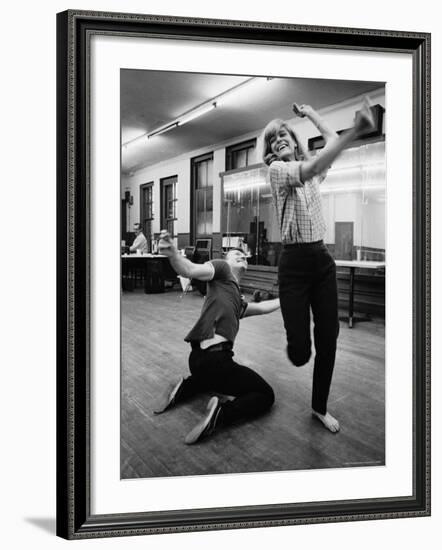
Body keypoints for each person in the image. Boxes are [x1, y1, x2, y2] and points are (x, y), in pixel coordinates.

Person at [262, 98, 375, 433]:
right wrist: (356, 129)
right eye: (273, 138)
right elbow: (310, 166)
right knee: (300, 353)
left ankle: (319, 408)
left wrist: (311, 113)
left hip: (322, 262)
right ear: (270, 151)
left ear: (295, 142)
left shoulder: (313, 176)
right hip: (294, 266)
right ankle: (297, 346)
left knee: (330, 337)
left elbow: (328, 143)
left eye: (284, 134)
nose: (279, 139)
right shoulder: (278, 171)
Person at [154, 231, 279, 444]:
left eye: (243, 255)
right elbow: (190, 269)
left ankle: (189, 386)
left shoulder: (236, 302)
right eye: (235, 253)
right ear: (225, 258)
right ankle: (221, 414)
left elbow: (263, 308)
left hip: (199, 362)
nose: (240, 255)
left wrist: (287, 297)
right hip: (216, 361)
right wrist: (173, 255)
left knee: (212, 380)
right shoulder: (221, 269)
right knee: (265, 394)